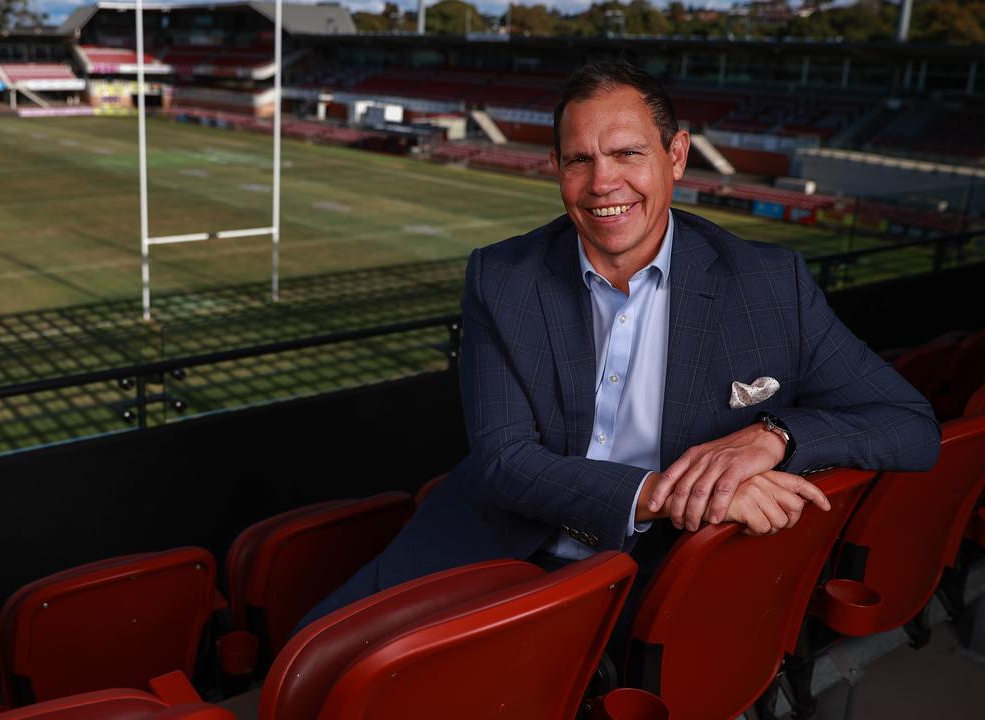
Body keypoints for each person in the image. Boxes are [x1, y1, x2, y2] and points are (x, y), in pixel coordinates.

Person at [297, 59, 940, 631]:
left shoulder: (770, 285)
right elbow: (504, 459)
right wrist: (678, 492)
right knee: (311, 666)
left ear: (677, 156)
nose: (603, 183)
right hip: (495, 540)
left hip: (657, 572)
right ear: (557, 168)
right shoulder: (503, 277)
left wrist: (774, 436)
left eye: (628, 154)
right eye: (579, 159)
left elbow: (911, 427)